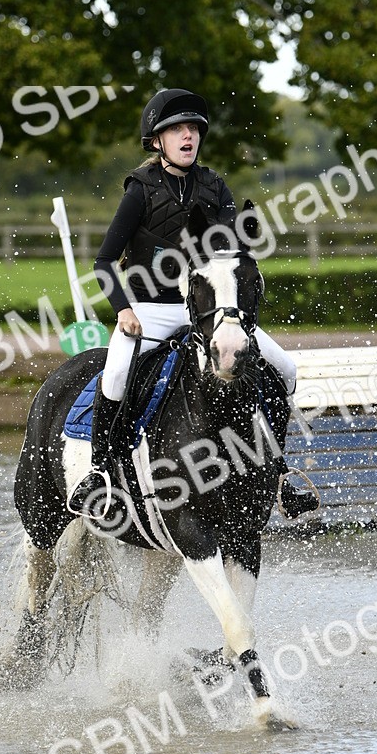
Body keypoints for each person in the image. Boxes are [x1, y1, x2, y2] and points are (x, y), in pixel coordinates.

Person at [67, 87, 319, 521]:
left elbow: (225, 247)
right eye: (177, 130)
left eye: (193, 130)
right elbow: (104, 261)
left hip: (209, 311)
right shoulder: (139, 191)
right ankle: (100, 474)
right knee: (115, 377)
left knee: (286, 370)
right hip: (151, 309)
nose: (188, 137)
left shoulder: (213, 185)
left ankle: (277, 476)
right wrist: (123, 310)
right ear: (157, 141)